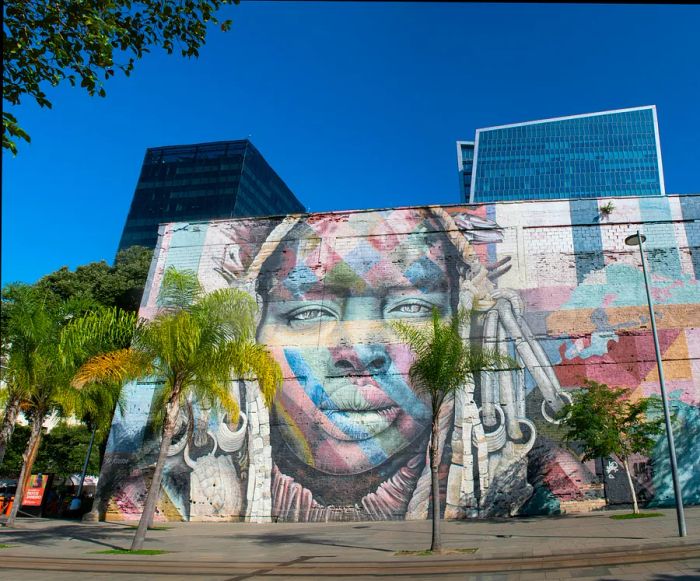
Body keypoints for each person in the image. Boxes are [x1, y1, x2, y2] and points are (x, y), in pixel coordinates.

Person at [194, 206, 570, 522]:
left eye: (412, 307)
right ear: (249, 333)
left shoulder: (548, 481)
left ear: (467, 327)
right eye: (308, 312)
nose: (357, 351)